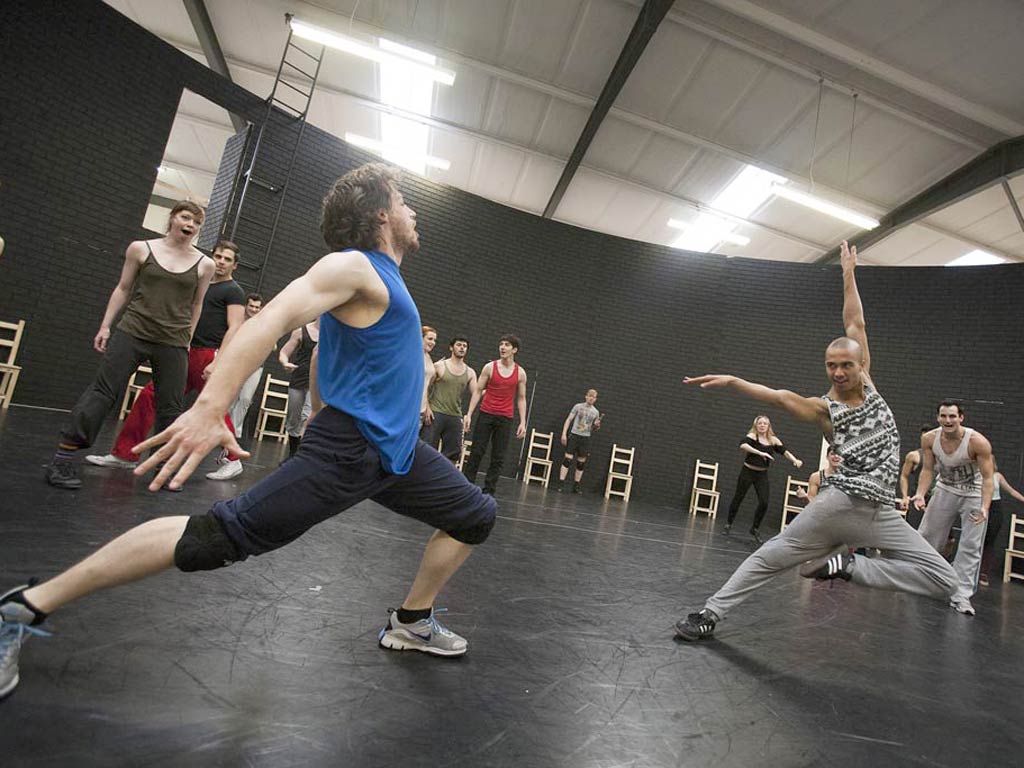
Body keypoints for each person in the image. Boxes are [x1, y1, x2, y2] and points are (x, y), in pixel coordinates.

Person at [0, 163, 497, 700]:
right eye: (402, 201)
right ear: (381, 214)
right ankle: (23, 606)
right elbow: (269, 320)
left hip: (395, 453)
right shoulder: (353, 265)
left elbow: (327, 356)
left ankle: (411, 619)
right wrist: (211, 405)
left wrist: (323, 408)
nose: (411, 210)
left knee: (474, 515)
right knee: (216, 538)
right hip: (349, 451)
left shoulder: (384, 280)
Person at [674, 241, 956, 642]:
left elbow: (854, 321)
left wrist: (848, 273)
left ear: (862, 365)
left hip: (881, 512)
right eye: (831, 365)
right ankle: (709, 613)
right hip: (839, 505)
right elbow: (778, 397)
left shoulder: (870, 385)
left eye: (846, 365)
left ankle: (849, 568)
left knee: (946, 580)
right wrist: (735, 382)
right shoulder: (824, 409)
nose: (838, 372)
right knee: (772, 556)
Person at [45, 201, 214, 489]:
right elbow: (123, 288)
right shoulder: (141, 249)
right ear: (173, 219)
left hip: (172, 340)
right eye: (186, 217)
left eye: (197, 222)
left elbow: (196, 305)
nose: (191, 225)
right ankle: (63, 459)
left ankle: (164, 467)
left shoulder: (204, 264)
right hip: (133, 331)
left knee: (170, 407)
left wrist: (187, 338)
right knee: (102, 393)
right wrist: (105, 325)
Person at [85, 240, 247, 482]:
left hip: (208, 355)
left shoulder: (233, 291)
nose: (221, 262)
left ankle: (233, 459)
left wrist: (218, 361)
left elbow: (235, 327)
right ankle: (125, 454)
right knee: (149, 396)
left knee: (212, 407)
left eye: (227, 259)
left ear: (235, 265)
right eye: (218, 256)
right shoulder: (202, 282)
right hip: (184, 350)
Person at [911, 403, 995, 615]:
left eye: (952, 416)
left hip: (974, 492)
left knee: (970, 544)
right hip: (946, 488)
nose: (948, 421)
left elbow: (987, 478)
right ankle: (922, 582)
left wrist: (985, 507)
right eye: (943, 416)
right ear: (938, 418)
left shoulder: (977, 442)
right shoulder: (930, 439)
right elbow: (928, 470)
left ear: (961, 418)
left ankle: (961, 596)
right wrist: (921, 493)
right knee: (929, 535)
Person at [461, 335, 527, 496]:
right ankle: (466, 486)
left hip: (505, 418)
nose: (502, 348)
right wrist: (469, 414)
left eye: (507, 345)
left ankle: (489, 490)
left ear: (514, 350)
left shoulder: (520, 373)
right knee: (477, 451)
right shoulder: (489, 367)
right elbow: (477, 391)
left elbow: (521, 398)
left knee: (498, 457)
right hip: (486, 414)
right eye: (501, 344)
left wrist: (523, 422)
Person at [721, 416, 803, 543]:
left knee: (764, 502)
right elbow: (743, 445)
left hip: (761, 475)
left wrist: (795, 460)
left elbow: (785, 451)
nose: (762, 425)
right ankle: (729, 523)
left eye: (765, 423)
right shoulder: (753, 436)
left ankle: (755, 528)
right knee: (738, 497)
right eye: (760, 423)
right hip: (747, 472)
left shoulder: (773, 440)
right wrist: (760, 453)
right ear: (756, 425)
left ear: (768, 426)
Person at [426, 336, 477, 461]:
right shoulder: (439, 366)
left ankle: (444, 478)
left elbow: (477, 392)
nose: (462, 348)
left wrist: (497, 387)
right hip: (435, 412)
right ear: (451, 347)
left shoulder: (470, 372)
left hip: (454, 415)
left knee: (453, 453)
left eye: (464, 346)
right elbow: (425, 388)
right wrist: (427, 408)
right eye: (459, 345)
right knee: (427, 449)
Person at [278, 317, 319, 459]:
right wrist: (285, 362)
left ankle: (301, 456)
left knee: (306, 417)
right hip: (298, 379)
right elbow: (284, 352)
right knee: (293, 419)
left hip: (317, 383)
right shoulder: (301, 331)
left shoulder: (333, 335)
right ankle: (293, 453)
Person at [979, 458, 1024, 586]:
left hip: (995, 509)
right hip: (981, 506)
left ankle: (984, 572)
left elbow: (1011, 491)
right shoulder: (978, 475)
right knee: (976, 539)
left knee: (990, 540)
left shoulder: (997, 476)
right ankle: (970, 569)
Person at [226, 293, 265, 438]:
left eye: (257, 307)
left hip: (255, 366)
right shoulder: (237, 320)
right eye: (251, 306)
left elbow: (272, 344)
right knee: (230, 398)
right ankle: (225, 429)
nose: (254, 309)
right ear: (246, 306)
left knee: (246, 399)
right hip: (234, 364)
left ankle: (234, 432)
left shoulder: (263, 323)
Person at [557, 389, 602, 493]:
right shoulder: (578, 406)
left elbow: (594, 428)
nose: (591, 398)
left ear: (595, 399)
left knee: (581, 463)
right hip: (574, 435)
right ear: (586, 396)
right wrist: (564, 433)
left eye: (593, 397)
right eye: (590, 396)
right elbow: (569, 419)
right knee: (567, 460)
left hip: (585, 438)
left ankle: (576, 486)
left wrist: (597, 426)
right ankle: (561, 484)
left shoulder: (596, 412)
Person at [899, 424, 934, 523]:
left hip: (937, 500)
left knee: (949, 538)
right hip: (918, 498)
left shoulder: (942, 456)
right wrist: (905, 497)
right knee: (914, 532)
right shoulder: (914, 456)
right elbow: (904, 476)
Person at [420, 326, 438, 431]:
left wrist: (427, 407)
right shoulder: (414, 354)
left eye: (434, 340)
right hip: (408, 408)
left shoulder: (428, 357)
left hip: (421, 409)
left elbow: (426, 385)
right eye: (430, 339)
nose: (433, 342)